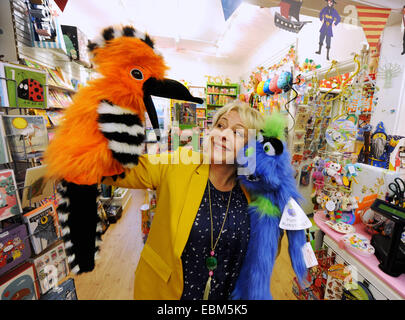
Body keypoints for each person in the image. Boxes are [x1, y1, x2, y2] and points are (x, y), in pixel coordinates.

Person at [103, 102, 275, 300]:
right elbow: (118, 169)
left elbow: (263, 253)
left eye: (237, 132)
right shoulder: (179, 163)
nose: (223, 134)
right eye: (220, 125)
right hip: (168, 294)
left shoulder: (253, 192)